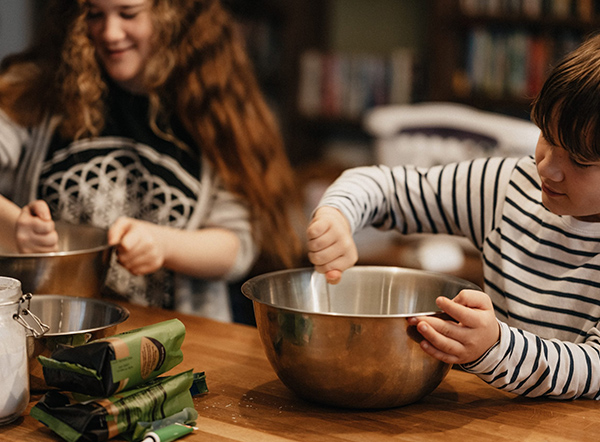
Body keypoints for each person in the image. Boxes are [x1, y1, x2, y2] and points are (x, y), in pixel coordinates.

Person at [306, 33, 600, 399]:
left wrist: (495, 347)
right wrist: (338, 215)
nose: (548, 167)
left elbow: (594, 369)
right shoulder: (508, 186)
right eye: (547, 137)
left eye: (580, 160)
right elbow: (384, 186)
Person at [0, 0, 301, 321]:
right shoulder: (36, 90)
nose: (110, 33)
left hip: (175, 338)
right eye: (94, 14)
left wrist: (163, 245)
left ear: (172, 14)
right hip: (44, 326)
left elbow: (237, 249)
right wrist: (14, 225)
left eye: (128, 13)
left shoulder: (214, 106)